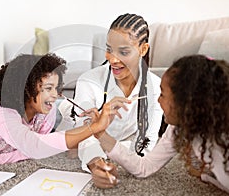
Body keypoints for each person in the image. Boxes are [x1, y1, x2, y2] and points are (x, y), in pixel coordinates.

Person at [0, 54, 129, 168]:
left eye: (56, 88)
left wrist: (84, 126)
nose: (56, 95)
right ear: (24, 89)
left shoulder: (47, 112)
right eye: (48, 89)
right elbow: (34, 146)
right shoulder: (4, 115)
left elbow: (35, 149)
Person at [94, 55, 229, 193]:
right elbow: (145, 167)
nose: (158, 101)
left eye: (162, 94)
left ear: (185, 103)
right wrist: (100, 133)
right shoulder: (178, 128)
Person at [59, 13, 163, 173]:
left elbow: (146, 144)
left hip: (119, 140)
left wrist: (121, 153)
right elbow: (84, 135)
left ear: (143, 50)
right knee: (62, 124)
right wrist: (95, 163)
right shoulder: (89, 81)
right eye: (109, 50)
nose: (112, 59)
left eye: (124, 52)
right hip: (75, 127)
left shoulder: (156, 88)